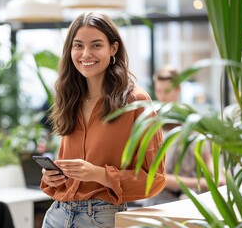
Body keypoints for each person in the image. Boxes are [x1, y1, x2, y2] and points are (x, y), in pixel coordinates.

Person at [40, 12, 166, 228]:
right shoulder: (71, 97)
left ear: (113, 48)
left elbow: (155, 179)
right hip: (57, 215)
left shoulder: (135, 101)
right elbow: (66, 164)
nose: (86, 54)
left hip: (100, 218)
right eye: (78, 45)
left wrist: (98, 174)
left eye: (96, 45)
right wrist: (52, 177)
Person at [143, 65, 225, 206]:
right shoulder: (151, 126)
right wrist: (204, 183)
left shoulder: (192, 122)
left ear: (178, 89)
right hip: (159, 202)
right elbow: (155, 177)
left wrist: (220, 179)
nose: (162, 97)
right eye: (159, 91)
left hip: (191, 201)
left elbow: (208, 160)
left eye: (167, 91)